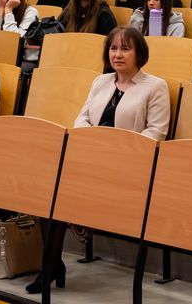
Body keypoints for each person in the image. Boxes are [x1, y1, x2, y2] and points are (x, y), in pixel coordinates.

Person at [29, 27, 169, 294]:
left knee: (60, 191)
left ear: (140, 53)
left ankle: (51, 266)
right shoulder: (101, 82)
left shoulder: (156, 87)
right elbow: (81, 119)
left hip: (127, 167)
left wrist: (115, 148)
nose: (117, 54)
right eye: (113, 48)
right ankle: (52, 264)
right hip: (90, 159)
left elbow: (155, 134)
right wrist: (94, 144)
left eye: (125, 48)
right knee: (48, 188)